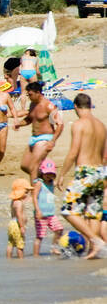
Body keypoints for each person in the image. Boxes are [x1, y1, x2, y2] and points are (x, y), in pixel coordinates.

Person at [55, 93, 106, 258]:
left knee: (67, 210)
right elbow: (105, 155)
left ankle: (95, 240)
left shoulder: (79, 124)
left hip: (86, 171)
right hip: (100, 172)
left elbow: (73, 152)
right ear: (90, 106)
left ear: (76, 107)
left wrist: (62, 174)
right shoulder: (101, 125)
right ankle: (94, 250)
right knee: (93, 213)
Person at [15, 81, 62, 184]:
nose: (29, 97)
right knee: (25, 165)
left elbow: (60, 124)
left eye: (30, 95)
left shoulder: (49, 106)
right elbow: (29, 119)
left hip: (45, 138)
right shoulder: (33, 104)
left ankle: (33, 194)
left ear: (38, 93)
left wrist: (53, 141)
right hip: (34, 138)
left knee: (33, 166)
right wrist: (19, 123)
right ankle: (46, 177)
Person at [32, 160, 62, 256]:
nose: (49, 176)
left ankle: (54, 247)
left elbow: (58, 183)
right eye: (47, 174)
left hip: (51, 213)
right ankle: (36, 255)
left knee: (59, 229)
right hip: (41, 214)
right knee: (40, 236)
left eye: (51, 174)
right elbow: (34, 197)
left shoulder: (52, 182)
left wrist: (60, 184)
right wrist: (37, 210)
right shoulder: (39, 183)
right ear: (42, 173)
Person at [8, 177, 31, 258]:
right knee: (20, 244)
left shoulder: (13, 201)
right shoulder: (19, 203)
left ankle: (8, 258)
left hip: (11, 224)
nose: (27, 194)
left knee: (10, 243)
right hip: (17, 225)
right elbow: (19, 214)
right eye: (26, 192)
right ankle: (20, 260)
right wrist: (22, 226)